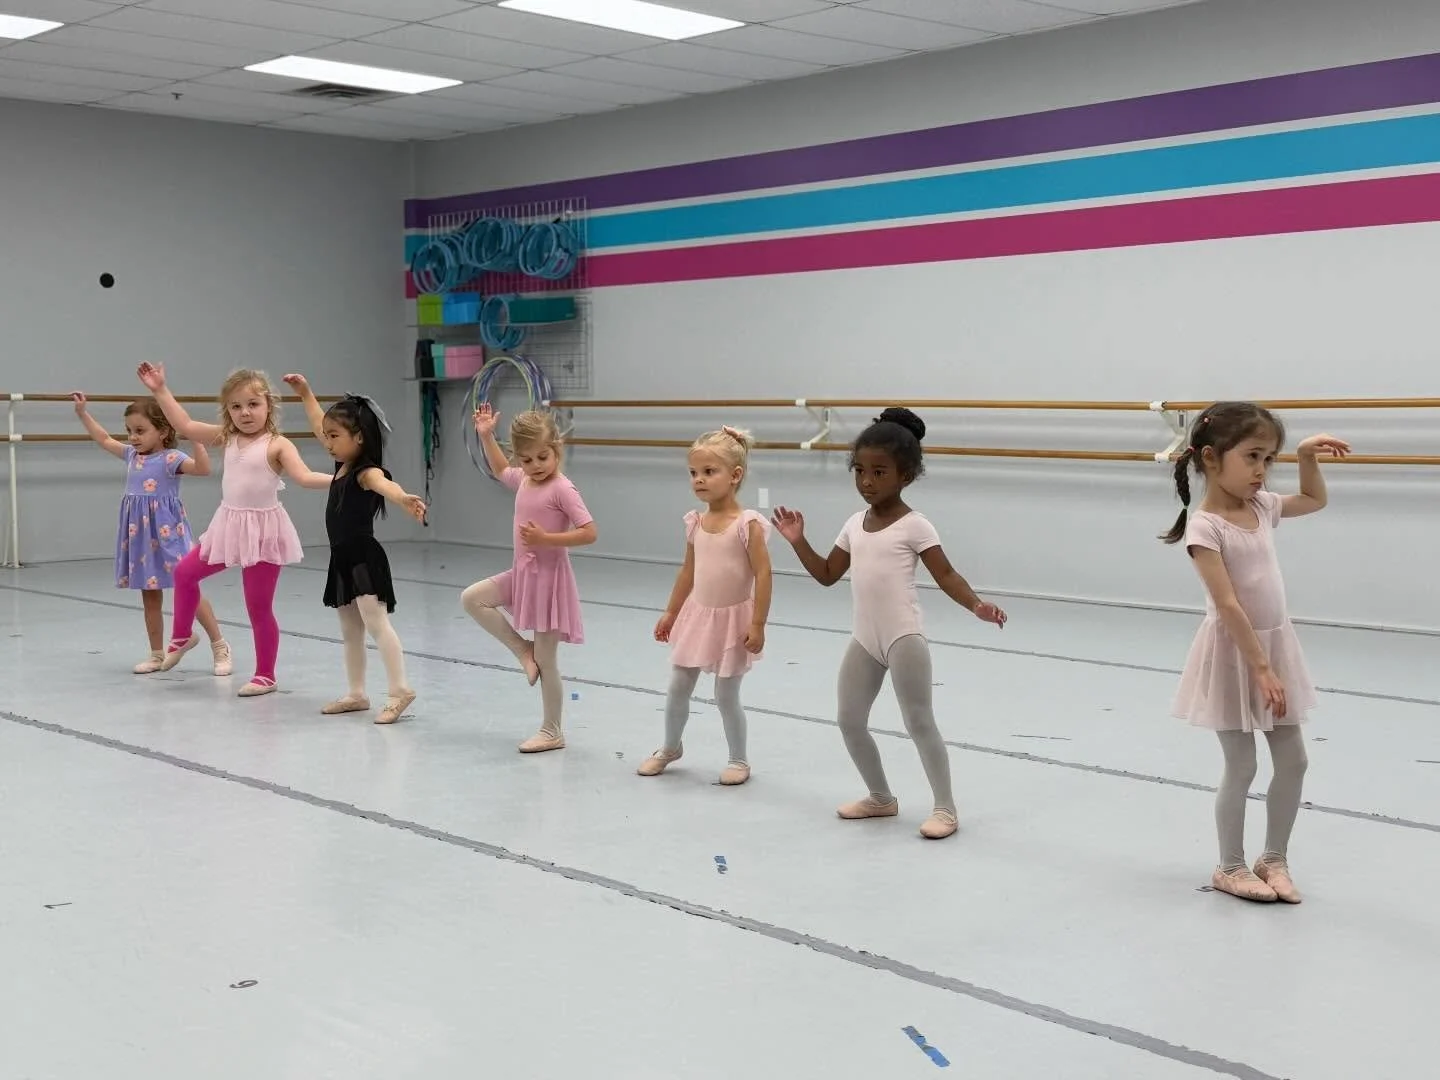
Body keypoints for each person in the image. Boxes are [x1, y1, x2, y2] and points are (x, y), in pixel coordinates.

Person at [772, 407, 1006, 840]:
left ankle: (945, 808)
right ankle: (880, 797)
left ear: (906, 476)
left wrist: (976, 605)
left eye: (879, 472)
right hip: (865, 639)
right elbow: (826, 574)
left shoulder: (916, 525)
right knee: (848, 719)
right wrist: (798, 540)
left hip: (902, 637)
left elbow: (947, 575)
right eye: (859, 471)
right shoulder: (852, 524)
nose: (866, 481)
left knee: (918, 721)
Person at [1163, 401, 1349, 903]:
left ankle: (1274, 857)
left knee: (1293, 761)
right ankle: (1229, 865)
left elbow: (1313, 499)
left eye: (1269, 459)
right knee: (1242, 766)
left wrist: (1308, 456)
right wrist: (1261, 668)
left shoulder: (1263, 505)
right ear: (1209, 457)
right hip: (1234, 654)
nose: (1262, 471)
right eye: (1252, 457)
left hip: (1274, 648)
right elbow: (1227, 604)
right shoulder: (1206, 527)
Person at [137, 362, 331, 697]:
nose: (245, 413)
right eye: (236, 406)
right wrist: (159, 389)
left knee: (258, 607)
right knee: (184, 573)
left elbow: (304, 477)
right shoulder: (226, 438)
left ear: (269, 405)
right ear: (227, 411)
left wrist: (344, 481)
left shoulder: (277, 445)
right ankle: (183, 636)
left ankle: (265, 675)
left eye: (253, 404)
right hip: (228, 525)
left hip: (264, 531)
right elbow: (182, 423)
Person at [284, 375, 427, 724]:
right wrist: (306, 394)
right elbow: (320, 423)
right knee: (350, 632)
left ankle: (400, 690)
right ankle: (357, 693)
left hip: (364, 557)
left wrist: (403, 497)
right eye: (328, 437)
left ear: (359, 438)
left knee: (377, 625)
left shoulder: (366, 472)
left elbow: (384, 485)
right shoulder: (341, 464)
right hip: (342, 558)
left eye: (335, 437)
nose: (327, 442)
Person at [640, 426, 773, 785]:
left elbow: (764, 574)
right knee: (678, 686)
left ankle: (738, 759)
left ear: (735, 476)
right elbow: (688, 571)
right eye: (693, 473)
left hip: (733, 621)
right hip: (697, 617)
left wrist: (758, 623)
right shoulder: (695, 522)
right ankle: (670, 746)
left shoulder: (749, 525)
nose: (698, 480)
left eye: (708, 472)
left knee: (726, 694)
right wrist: (671, 611)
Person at [461, 404, 596, 752]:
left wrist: (547, 539)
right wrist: (486, 435)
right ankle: (523, 649)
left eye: (542, 457)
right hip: (523, 574)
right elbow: (500, 468)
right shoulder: (523, 478)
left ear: (556, 450)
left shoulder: (562, 488)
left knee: (548, 662)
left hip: (549, 582)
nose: (535, 466)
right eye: (527, 460)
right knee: (472, 598)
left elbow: (589, 532)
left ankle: (552, 731)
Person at [72, 392, 230, 676]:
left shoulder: (171, 458)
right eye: (130, 431)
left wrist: (195, 438)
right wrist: (83, 414)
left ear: (164, 431)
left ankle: (219, 646)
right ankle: (157, 654)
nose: (133, 437)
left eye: (141, 431)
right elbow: (104, 439)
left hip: (169, 533)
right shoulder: (132, 455)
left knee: (189, 587)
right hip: (140, 536)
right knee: (150, 595)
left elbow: (203, 469)